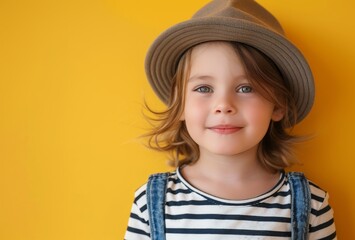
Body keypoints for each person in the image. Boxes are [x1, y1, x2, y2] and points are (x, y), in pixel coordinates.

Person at [125, 0, 336, 239]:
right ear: (180, 104)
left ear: (278, 105)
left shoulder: (311, 205)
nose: (224, 105)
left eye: (246, 88)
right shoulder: (151, 202)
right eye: (204, 88)